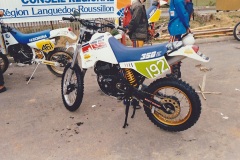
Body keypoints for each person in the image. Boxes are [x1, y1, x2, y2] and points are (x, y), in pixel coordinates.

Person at [126, 0, 148, 109]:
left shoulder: (137, 5)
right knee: (135, 66)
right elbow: (135, 21)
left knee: (136, 66)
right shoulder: (138, 6)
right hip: (137, 37)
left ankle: (134, 95)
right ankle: (132, 97)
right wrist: (129, 31)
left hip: (138, 36)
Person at [167, 0, 191, 78]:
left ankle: (175, 73)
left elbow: (183, 13)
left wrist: (187, 26)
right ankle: (176, 72)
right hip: (176, 27)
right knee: (176, 49)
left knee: (172, 50)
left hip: (176, 27)